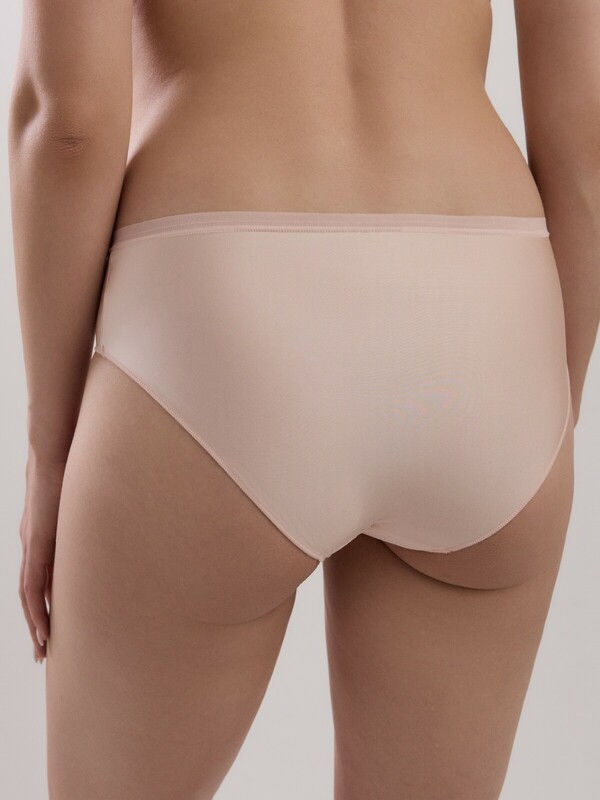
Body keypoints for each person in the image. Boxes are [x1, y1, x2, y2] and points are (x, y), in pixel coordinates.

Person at [8, 1, 598, 798]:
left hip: (221, 303)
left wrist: (51, 452)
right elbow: (590, 137)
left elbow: (70, 120)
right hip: (490, 314)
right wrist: (548, 411)